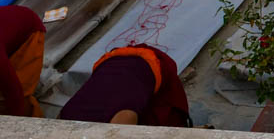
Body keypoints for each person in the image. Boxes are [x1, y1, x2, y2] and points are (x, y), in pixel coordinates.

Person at [60, 44, 190, 127]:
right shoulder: (62, 119)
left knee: (165, 120)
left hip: (146, 64)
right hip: (112, 64)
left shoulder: (120, 119)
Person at [0, 6, 44, 117]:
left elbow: (13, 91)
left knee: (21, 95)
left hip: (29, 31)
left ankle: (36, 129)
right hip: (9, 30)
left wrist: (16, 125)